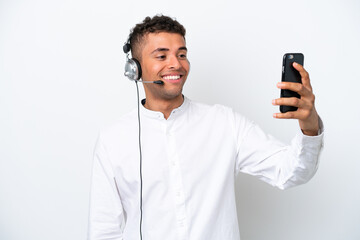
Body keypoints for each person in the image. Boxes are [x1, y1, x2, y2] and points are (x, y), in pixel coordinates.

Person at [88, 15, 324, 240]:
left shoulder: (225, 123)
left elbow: (291, 171)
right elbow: (103, 231)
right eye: (161, 56)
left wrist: (310, 125)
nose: (176, 64)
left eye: (182, 54)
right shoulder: (112, 140)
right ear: (134, 69)